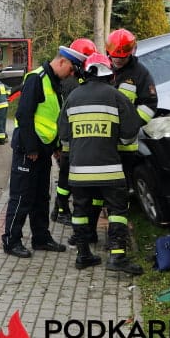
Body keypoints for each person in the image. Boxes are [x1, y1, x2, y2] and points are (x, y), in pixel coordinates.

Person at [58, 52, 144, 274]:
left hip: (78, 172)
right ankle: (117, 257)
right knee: (117, 211)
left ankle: (83, 255)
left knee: (80, 210)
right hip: (110, 170)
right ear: (110, 75)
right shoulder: (117, 97)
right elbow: (130, 132)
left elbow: (64, 136)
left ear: (86, 73)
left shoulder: (73, 97)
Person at [1, 43, 89, 258]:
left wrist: (56, 146)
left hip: (43, 150)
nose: (71, 74)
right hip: (28, 150)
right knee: (22, 197)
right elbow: (23, 115)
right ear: (62, 61)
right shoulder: (36, 78)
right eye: (71, 69)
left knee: (41, 197)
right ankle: (11, 241)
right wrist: (31, 147)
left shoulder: (54, 81)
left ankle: (41, 238)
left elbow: (53, 118)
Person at [50, 38, 97, 226]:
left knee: (66, 175)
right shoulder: (72, 81)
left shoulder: (70, 77)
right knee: (66, 176)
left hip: (65, 137)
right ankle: (61, 211)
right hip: (67, 139)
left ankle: (58, 210)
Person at [105, 29, 158, 188]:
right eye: (115, 56)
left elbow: (149, 104)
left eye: (123, 57)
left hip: (125, 145)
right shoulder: (101, 69)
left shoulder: (140, 73)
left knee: (122, 186)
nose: (118, 60)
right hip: (102, 141)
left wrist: (130, 124)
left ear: (131, 53)